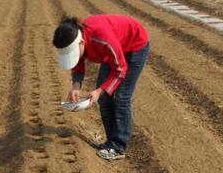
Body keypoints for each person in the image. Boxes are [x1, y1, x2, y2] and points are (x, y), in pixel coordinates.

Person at [53, 15, 150, 161]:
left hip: (134, 46)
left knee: (122, 96)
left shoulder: (102, 38)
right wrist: (76, 87)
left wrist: (99, 91)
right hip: (114, 47)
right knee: (104, 98)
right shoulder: (79, 40)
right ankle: (111, 142)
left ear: (82, 42)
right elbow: (78, 63)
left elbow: (120, 70)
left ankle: (119, 146)